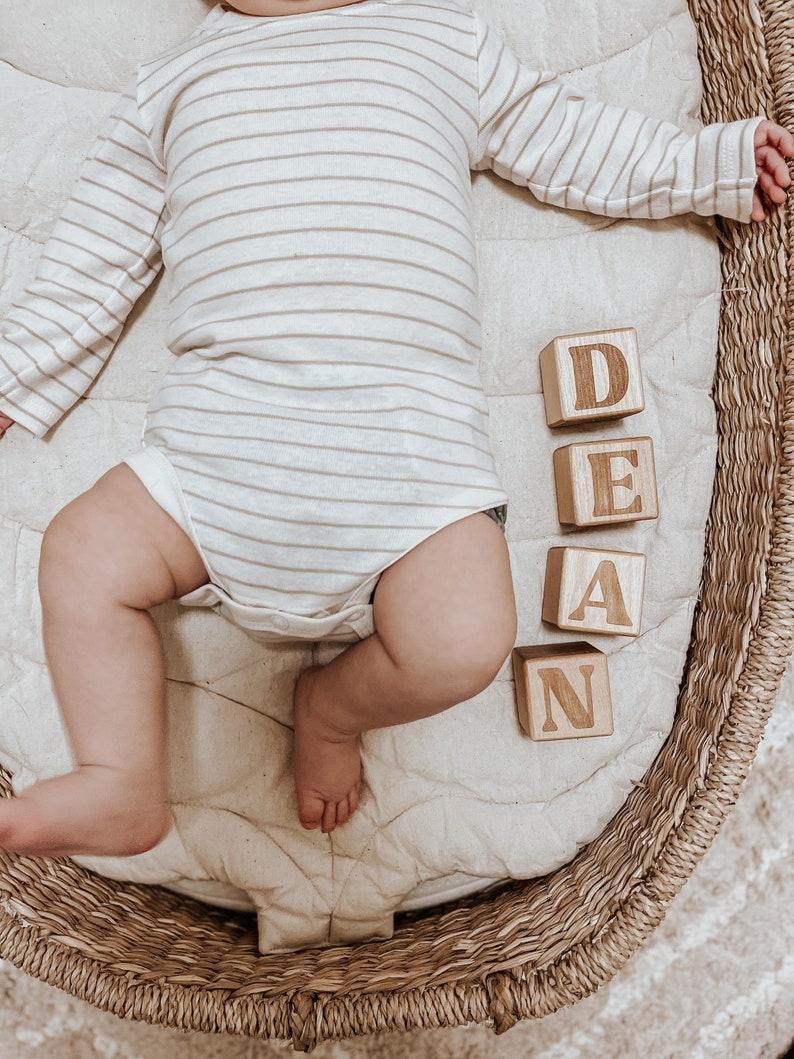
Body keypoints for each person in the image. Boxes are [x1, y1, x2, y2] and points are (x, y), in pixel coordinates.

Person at [0, 0, 791, 854]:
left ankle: (334, 708)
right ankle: (120, 781)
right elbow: (93, 253)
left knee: (465, 640)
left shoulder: (439, 39)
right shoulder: (172, 83)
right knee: (81, 551)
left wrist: (703, 166)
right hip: (213, 462)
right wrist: (17, 370)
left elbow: (569, 138)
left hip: (412, 477)